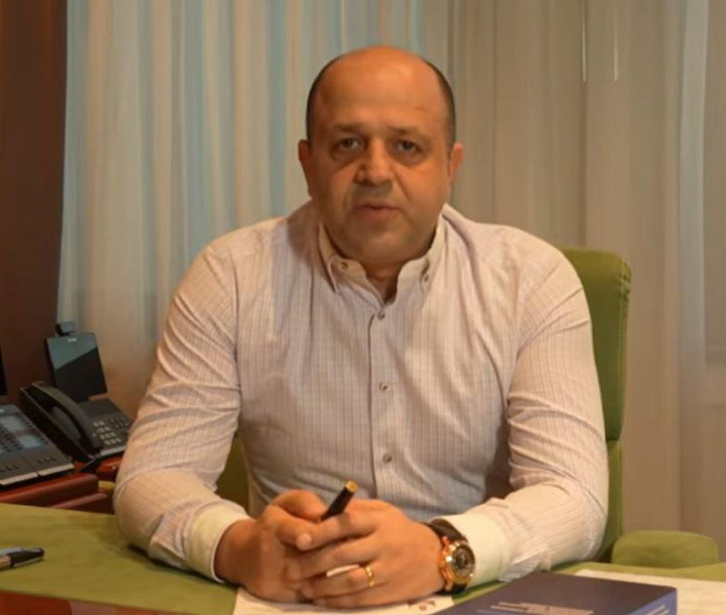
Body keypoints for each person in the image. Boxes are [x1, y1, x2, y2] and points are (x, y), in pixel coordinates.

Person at [114, 45, 608, 609]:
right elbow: (152, 477)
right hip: (296, 598)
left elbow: (575, 495)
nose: (375, 171)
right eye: (347, 144)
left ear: (450, 167)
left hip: (473, 595)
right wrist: (238, 546)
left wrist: (442, 550)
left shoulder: (532, 281)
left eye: (407, 146)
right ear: (308, 164)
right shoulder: (230, 277)